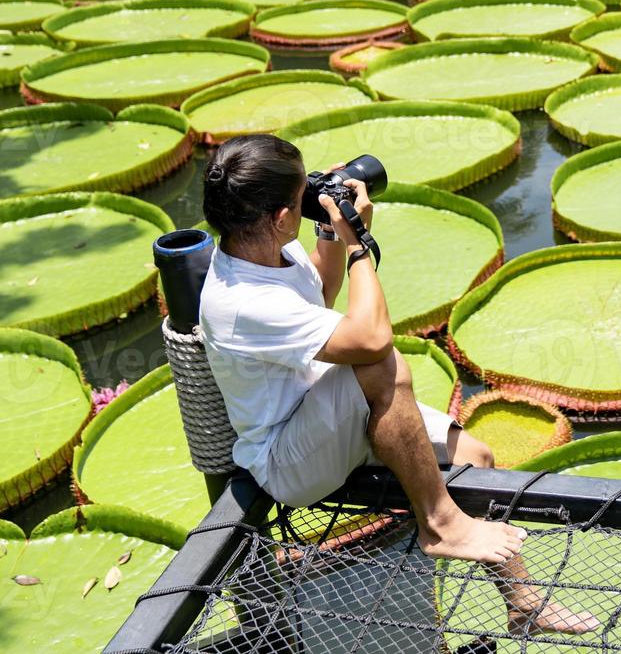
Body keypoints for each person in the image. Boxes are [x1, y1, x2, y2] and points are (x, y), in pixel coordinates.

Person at [198, 135, 598, 636]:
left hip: (326, 414)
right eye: (303, 196)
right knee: (383, 366)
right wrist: (358, 244)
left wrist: (326, 227)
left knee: (475, 458)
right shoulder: (239, 301)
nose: (309, 201)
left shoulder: (264, 248)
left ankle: (525, 604)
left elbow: (318, 293)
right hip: (287, 457)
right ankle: (439, 525)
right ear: (280, 217)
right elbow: (369, 340)